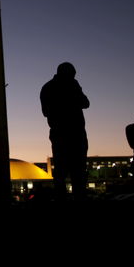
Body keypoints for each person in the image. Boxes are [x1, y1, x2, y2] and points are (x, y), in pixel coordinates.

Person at [40, 62, 90, 200]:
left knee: (64, 170)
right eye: (73, 75)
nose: (74, 78)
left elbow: (86, 103)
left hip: (61, 133)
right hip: (72, 133)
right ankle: (76, 197)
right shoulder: (71, 86)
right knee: (76, 170)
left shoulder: (47, 87)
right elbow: (85, 103)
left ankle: (62, 198)